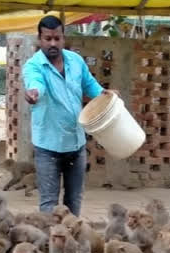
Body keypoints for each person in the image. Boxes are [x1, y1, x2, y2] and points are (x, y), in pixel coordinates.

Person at [22, 15, 110, 216]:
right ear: (40, 39)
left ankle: (71, 244)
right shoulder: (33, 66)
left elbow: (90, 85)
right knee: (49, 205)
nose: (53, 43)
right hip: (48, 148)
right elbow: (36, 83)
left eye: (57, 38)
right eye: (48, 38)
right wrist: (34, 93)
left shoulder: (76, 61)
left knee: (74, 201)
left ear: (63, 38)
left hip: (76, 144)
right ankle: (49, 246)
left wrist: (104, 94)